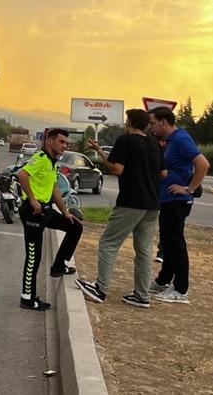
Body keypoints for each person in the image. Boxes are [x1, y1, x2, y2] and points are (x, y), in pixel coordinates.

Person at [75, 110, 163, 308]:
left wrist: (102, 155)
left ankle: (100, 289)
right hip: (152, 204)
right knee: (144, 250)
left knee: (109, 243)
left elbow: (117, 169)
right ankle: (142, 295)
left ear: (129, 122)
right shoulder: (154, 144)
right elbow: (163, 172)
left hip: (130, 202)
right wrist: (100, 150)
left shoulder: (126, 140)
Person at [15, 128, 83, 311]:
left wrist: (65, 212)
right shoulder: (41, 158)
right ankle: (27, 298)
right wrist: (32, 200)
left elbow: (54, 190)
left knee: (75, 227)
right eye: (61, 142)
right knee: (34, 256)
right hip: (33, 212)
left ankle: (59, 265)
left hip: (46, 211)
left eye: (66, 143)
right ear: (50, 142)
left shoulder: (52, 162)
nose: (65, 145)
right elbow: (22, 174)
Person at [148, 106, 210, 304]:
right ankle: (163, 280)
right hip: (168, 199)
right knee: (167, 242)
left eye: (153, 123)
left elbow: (203, 164)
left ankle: (181, 290)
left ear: (163, 122)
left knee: (176, 244)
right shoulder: (171, 140)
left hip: (178, 201)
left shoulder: (181, 139)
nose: (151, 127)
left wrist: (189, 189)